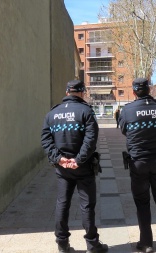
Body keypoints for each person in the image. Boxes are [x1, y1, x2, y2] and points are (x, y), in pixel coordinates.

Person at [41, 80, 108, 253]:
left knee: (62, 203)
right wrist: (78, 160)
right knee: (87, 206)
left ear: (66, 92)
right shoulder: (86, 111)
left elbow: (46, 139)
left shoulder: (52, 114)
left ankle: (62, 245)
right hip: (83, 167)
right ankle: (93, 245)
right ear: (82, 92)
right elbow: (91, 140)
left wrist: (59, 159)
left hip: (62, 168)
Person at [119, 78, 156, 253]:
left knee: (142, 203)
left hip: (139, 163)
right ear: (149, 89)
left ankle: (146, 243)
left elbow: (124, 130)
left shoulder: (127, 110)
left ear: (134, 91)